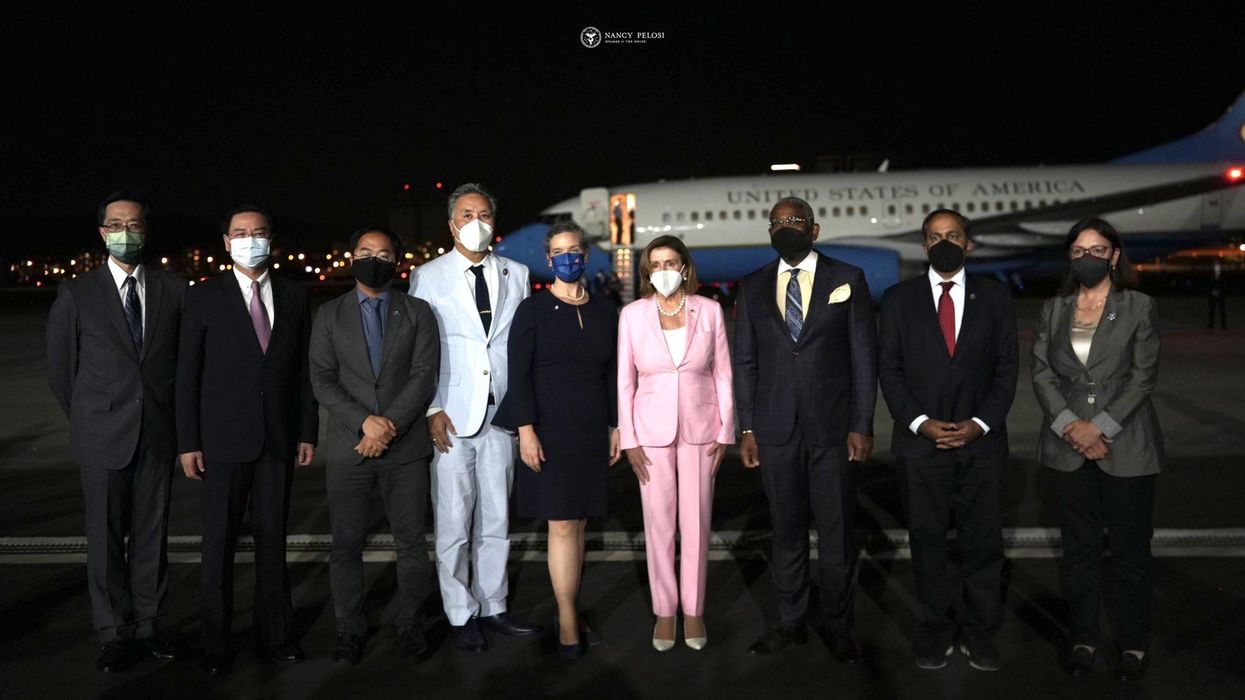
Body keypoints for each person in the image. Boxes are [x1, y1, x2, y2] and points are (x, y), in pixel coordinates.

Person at [175, 203, 318, 675]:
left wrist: (306, 431)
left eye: (259, 232)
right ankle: (215, 643)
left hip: (277, 441)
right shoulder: (204, 296)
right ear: (226, 242)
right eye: (240, 232)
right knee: (217, 545)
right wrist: (189, 440)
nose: (249, 238)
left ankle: (275, 636)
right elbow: (187, 375)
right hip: (220, 443)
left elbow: (302, 373)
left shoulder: (297, 296)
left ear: (272, 239)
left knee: (274, 542)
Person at [46, 191, 186, 672]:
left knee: (152, 536)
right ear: (102, 231)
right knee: (104, 540)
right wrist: (93, 417)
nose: (126, 231)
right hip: (102, 435)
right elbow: (63, 372)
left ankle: (149, 626)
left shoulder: (173, 288)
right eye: (116, 224)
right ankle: (112, 631)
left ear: (146, 230)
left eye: (135, 223)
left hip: (157, 434)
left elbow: (180, 366)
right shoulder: (77, 292)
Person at [733, 196, 877, 663]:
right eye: (777, 222)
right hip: (774, 430)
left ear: (814, 230)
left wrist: (861, 423)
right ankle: (789, 622)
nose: (785, 227)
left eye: (795, 221)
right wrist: (748, 426)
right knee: (787, 531)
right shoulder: (752, 286)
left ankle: (838, 625)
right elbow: (746, 362)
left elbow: (862, 357)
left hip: (833, 429)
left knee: (836, 534)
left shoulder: (847, 279)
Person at [877, 210, 1018, 671]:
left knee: (983, 546)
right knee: (927, 544)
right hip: (921, 446)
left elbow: (1007, 371)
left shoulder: (995, 297)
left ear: (969, 244)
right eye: (935, 237)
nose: (944, 243)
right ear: (923, 247)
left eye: (953, 236)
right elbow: (890, 371)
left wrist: (980, 423)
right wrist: (920, 422)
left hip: (982, 445)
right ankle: (934, 631)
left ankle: (980, 634)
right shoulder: (898, 300)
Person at [409, 184, 540, 652]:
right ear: (452, 224)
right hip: (450, 416)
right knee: (452, 521)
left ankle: (494, 605)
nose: (476, 221)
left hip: (502, 414)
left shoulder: (517, 273)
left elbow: (518, 347)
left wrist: (525, 411)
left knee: (496, 519)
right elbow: (419, 350)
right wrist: (430, 407)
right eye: (467, 214)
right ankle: (460, 613)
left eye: (484, 213)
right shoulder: (428, 276)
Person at [1031, 217, 1162, 682]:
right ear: (1069, 257)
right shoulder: (1054, 309)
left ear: (1114, 255)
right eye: (1079, 250)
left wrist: (1099, 427)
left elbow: (1143, 376)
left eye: (1097, 249)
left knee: (1130, 553)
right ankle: (1084, 637)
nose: (1088, 257)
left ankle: (1133, 643)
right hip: (1068, 447)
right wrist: (1071, 427)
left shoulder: (1139, 307)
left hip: (1125, 444)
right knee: (1079, 551)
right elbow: (1043, 373)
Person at [310, 228, 440, 665]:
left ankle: (410, 622)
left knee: (411, 543)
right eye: (365, 252)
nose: (374, 259)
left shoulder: (418, 312)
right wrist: (363, 422)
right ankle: (349, 626)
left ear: (397, 261)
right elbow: (322, 379)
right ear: (351, 257)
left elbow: (424, 373)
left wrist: (388, 426)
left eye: (383, 254)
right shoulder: (329, 314)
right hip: (351, 447)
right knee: (346, 544)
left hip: (405, 449)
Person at [492, 222, 621, 659]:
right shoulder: (532, 310)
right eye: (560, 252)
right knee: (561, 523)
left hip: (589, 430)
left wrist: (615, 425)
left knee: (580, 523)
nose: (569, 258)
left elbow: (611, 376)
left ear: (585, 254)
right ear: (549, 260)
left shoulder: (606, 311)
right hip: (549, 429)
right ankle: (567, 617)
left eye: (575, 250)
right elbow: (519, 375)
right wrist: (525, 430)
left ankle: (572, 607)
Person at [617, 235, 733, 651]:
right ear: (647, 271)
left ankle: (694, 610)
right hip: (650, 434)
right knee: (659, 525)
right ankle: (666, 612)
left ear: (685, 266)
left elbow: (723, 372)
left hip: (702, 430)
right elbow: (624, 380)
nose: (664, 270)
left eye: (672, 262)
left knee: (697, 523)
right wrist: (628, 437)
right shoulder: (632, 315)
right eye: (656, 264)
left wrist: (726, 430)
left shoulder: (711, 311)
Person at [1208, 258, 1227, 330]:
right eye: (1215, 263)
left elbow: (1224, 283)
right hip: (1212, 294)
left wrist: (1219, 291)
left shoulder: (1223, 272)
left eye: (1217, 263)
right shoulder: (1211, 272)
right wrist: (1212, 291)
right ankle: (1211, 324)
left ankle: (1224, 325)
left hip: (1221, 294)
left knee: (1222, 310)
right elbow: (1209, 283)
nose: (1216, 265)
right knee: (1212, 310)